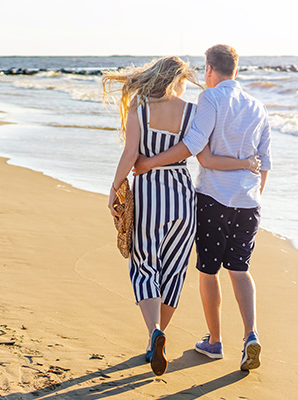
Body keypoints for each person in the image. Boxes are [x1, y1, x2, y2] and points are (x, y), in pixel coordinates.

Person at [102, 56, 260, 376]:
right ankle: (155, 342)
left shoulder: (139, 109)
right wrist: (245, 165)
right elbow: (200, 154)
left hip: (149, 194)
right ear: (177, 80)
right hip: (182, 196)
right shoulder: (192, 111)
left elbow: (130, 154)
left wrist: (115, 188)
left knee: (145, 265)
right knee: (173, 272)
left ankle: (154, 333)